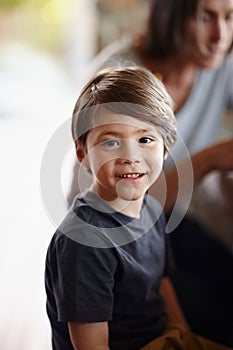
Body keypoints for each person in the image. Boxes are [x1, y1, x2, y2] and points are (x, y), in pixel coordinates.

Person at [67, 0, 233, 345]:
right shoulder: (119, 76)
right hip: (114, 226)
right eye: (205, 17)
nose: (221, 35)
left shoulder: (220, 68)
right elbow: (119, 197)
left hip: (165, 218)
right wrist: (210, 159)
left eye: (230, 18)